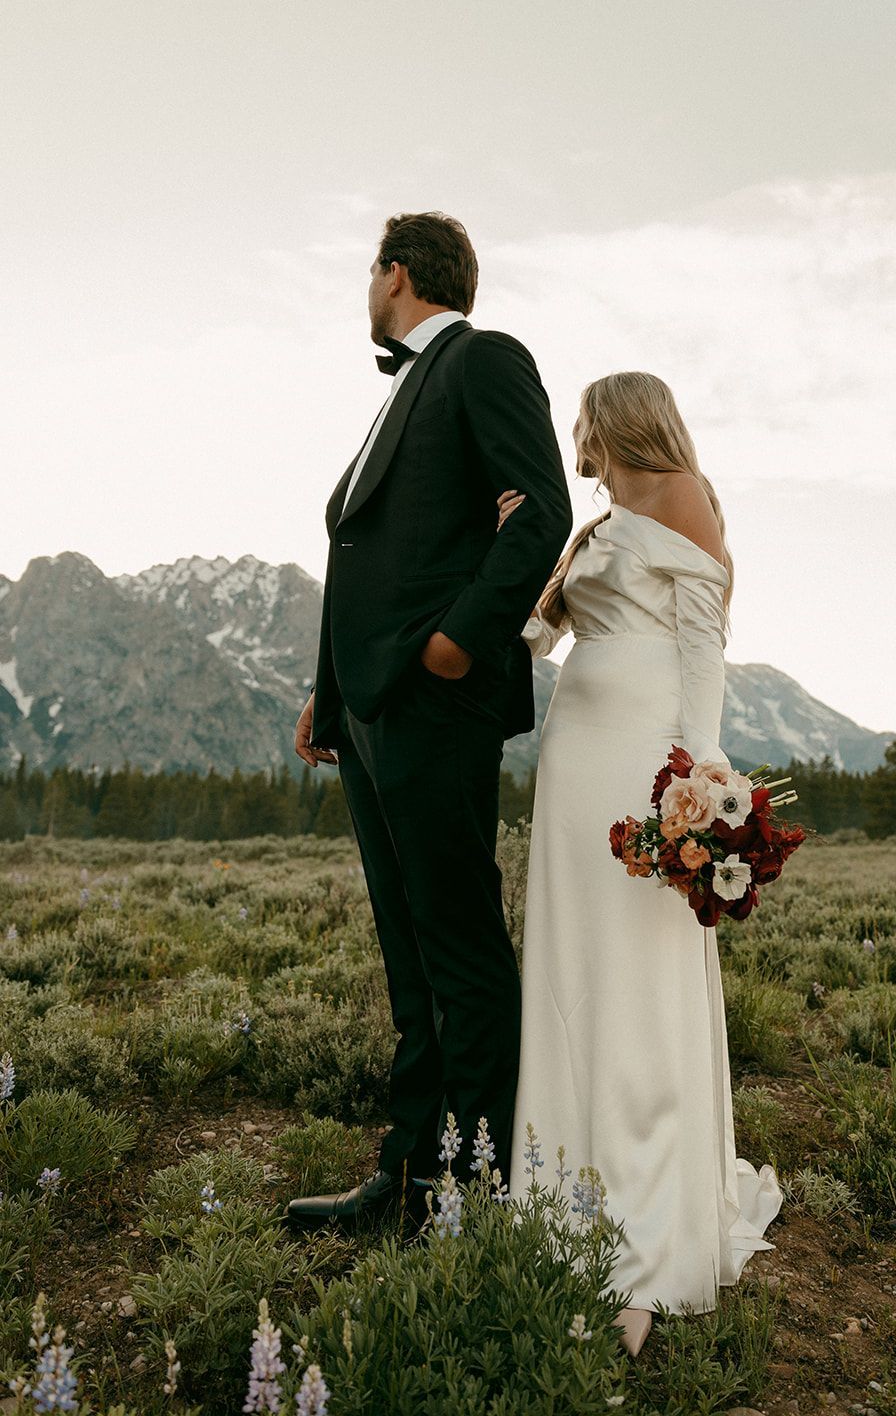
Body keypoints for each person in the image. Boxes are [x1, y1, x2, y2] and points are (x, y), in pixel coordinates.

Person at [287, 211, 572, 1239]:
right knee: (408, 953)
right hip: (367, 712)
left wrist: (457, 644)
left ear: (396, 273)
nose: (367, 284)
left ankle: (471, 1189)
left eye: (370, 268)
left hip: (433, 699)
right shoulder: (399, 390)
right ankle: (404, 1177)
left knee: (458, 948)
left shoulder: (483, 360)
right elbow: (363, 552)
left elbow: (540, 511)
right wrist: (327, 687)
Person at [502, 371, 782, 1356]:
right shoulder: (592, 530)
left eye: (583, 418)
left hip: (642, 757)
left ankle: (647, 1237)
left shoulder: (683, 497)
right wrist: (539, 555)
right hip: (572, 757)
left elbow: (703, 643)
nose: (572, 433)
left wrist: (699, 770)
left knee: (636, 972)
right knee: (575, 965)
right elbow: (536, 640)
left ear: (614, 420)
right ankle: (562, 1195)